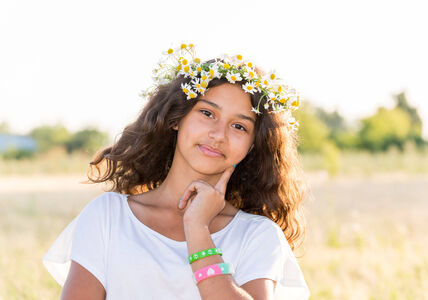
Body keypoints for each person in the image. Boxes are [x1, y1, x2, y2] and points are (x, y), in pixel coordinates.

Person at [42, 43, 311, 299]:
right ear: (176, 118)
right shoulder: (107, 217)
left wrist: (197, 229)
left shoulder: (259, 235)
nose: (218, 135)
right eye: (207, 113)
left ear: (252, 147)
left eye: (239, 126)